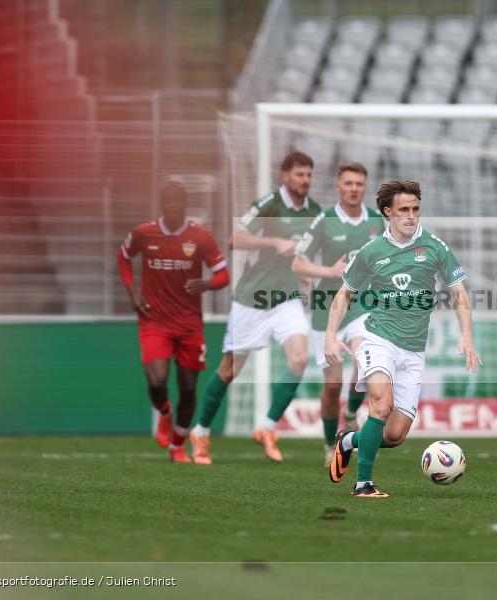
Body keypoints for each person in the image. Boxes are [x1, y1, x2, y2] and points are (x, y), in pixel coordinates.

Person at [325, 180, 481, 498]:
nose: (411, 216)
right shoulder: (371, 252)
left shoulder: (435, 247)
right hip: (377, 339)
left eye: (415, 209)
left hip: (413, 351)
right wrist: (330, 336)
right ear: (388, 213)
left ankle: (348, 441)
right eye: (404, 210)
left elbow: (459, 294)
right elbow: (343, 295)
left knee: (394, 435)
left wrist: (467, 335)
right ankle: (363, 484)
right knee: (380, 406)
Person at [189, 152, 321, 464]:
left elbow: (304, 254)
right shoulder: (269, 205)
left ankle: (267, 427)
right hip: (252, 298)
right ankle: (201, 432)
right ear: (285, 176)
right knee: (230, 369)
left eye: (309, 175)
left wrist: (306, 275)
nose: (306, 180)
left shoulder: (315, 212)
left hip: (286, 299)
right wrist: (273, 241)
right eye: (300, 174)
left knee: (300, 358)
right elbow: (235, 238)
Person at [118, 182, 230, 463]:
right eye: (167, 202)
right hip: (154, 320)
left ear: (184, 205)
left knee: (189, 387)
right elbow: (123, 257)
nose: (172, 206)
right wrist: (132, 291)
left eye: (177, 202)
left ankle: (178, 444)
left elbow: (223, 275)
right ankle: (165, 413)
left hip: (189, 323)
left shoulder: (200, 237)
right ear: (161, 205)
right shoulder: (144, 233)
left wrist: (205, 284)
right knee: (157, 380)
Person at [291, 162, 384, 467]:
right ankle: (331, 442)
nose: (354, 188)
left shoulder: (376, 221)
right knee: (332, 386)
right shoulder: (324, 221)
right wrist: (327, 270)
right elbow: (298, 264)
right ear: (338, 187)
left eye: (359, 183)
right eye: (349, 183)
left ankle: (351, 412)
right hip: (326, 311)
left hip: (363, 306)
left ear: (364, 187)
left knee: (364, 361)